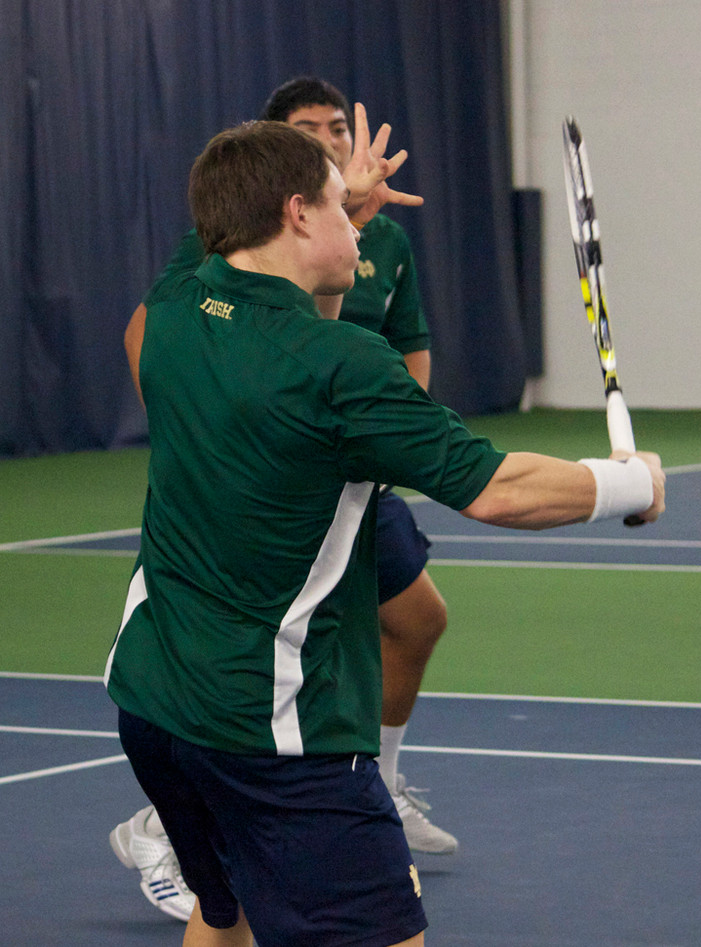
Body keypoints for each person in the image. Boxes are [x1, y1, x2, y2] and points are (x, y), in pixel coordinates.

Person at [104, 119, 664, 947]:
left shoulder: (179, 310)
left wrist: (346, 209)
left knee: (226, 912)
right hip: (278, 734)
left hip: (151, 702)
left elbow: (250, 270)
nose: (358, 224)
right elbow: (497, 490)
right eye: (339, 206)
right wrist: (631, 482)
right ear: (296, 214)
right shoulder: (342, 367)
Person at [110, 79, 452, 925]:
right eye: (313, 134)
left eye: (341, 129)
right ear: (288, 192)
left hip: (347, 461)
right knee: (250, 689)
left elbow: (380, 347)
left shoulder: (372, 242)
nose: (335, 141)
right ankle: (180, 819)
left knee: (418, 618)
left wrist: (386, 438)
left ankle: (378, 778)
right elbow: (158, 342)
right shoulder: (223, 258)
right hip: (273, 474)